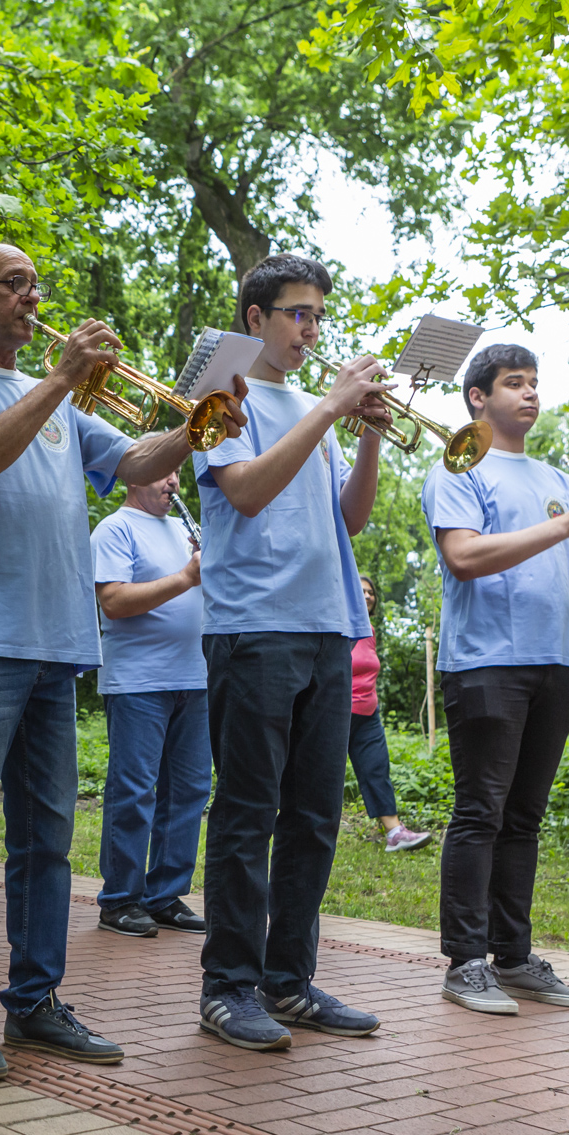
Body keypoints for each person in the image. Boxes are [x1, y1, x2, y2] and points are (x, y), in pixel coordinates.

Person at [0, 242, 235, 1079]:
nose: (31, 296)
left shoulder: (57, 404)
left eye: (34, 285)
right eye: (12, 285)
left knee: (48, 839)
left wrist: (198, 424)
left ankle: (35, 1003)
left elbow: (133, 464)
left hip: (57, 646)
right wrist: (57, 379)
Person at [187, 254, 395, 1051]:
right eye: (297, 314)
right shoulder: (222, 397)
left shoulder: (315, 406)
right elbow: (244, 490)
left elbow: (352, 518)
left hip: (326, 626)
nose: (310, 329)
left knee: (314, 816)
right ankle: (228, 985)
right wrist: (333, 406)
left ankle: (289, 981)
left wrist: (366, 438)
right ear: (255, 319)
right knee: (247, 814)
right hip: (253, 626)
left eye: (316, 316)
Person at [423, 342, 569, 1015]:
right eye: (515, 383)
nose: (530, 393)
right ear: (478, 397)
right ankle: (465, 963)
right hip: (485, 663)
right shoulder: (458, 465)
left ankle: (512, 958)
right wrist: (566, 523)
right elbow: (465, 557)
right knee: (481, 811)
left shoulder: (556, 476)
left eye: (535, 382)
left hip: (556, 663)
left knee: (525, 818)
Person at [90, 464, 211, 940]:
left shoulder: (184, 528)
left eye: (177, 472)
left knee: (190, 790)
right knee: (135, 791)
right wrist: (187, 577)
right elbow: (115, 601)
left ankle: (165, 893)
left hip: (195, 677)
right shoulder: (115, 528)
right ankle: (119, 899)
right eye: (163, 472)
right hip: (138, 682)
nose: (174, 482)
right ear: (133, 476)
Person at [351, 578, 431, 852]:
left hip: (367, 713)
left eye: (370, 592)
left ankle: (395, 833)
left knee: (376, 769)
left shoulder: (369, 630)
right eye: (360, 590)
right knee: (320, 776)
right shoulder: (338, 626)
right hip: (336, 711)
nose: (367, 596)